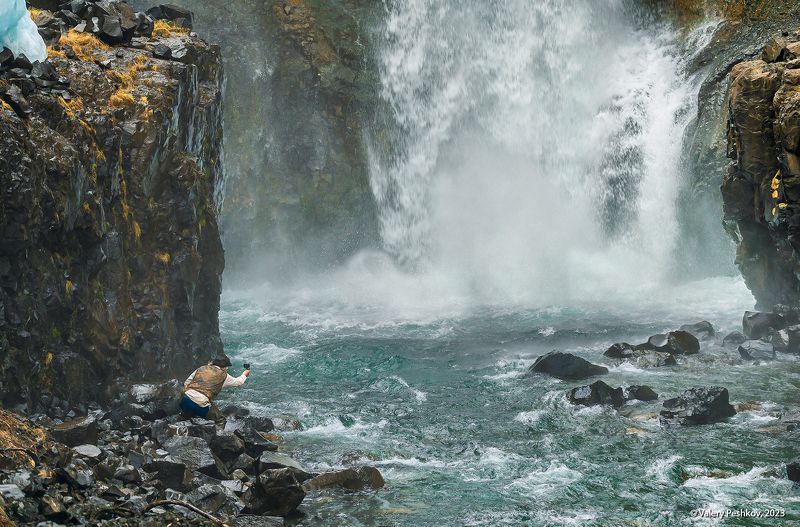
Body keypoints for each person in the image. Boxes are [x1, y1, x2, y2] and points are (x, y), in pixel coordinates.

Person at [180, 354, 250, 419]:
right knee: (221, 419)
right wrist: (245, 373)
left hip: (184, 401)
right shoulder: (224, 376)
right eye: (227, 367)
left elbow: (186, 383)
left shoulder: (202, 368)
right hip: (200, 407)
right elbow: (239, 382)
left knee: (190, 415)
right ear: (224, 367)